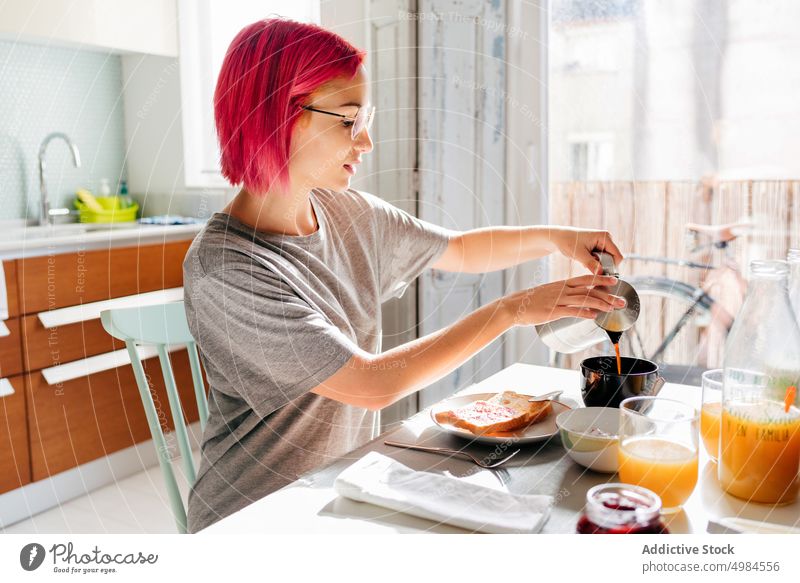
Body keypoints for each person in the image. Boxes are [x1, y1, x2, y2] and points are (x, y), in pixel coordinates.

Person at [182, 17, 625, 533]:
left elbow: (458, 249)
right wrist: (512, 310)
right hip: (254, 519)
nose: (365, 141)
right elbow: (372, 384)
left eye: (364, 118)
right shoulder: (227, 269)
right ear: (276, 118)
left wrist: (557, 236)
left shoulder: (348, 213)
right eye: (348, 121)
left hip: (340, 490)